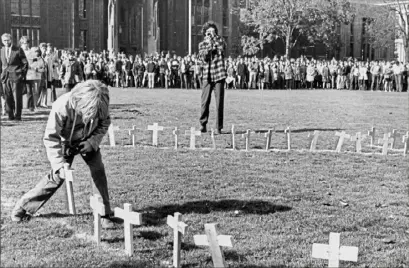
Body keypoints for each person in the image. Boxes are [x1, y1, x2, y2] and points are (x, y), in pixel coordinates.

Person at [11, 80, 115, 228]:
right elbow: (51, 137)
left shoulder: (100, 103)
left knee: (98, 170)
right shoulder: (61, 106)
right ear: (80, 103)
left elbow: (105, 122)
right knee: (56, 178)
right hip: (65, 143)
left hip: (88, 140)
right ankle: (22, 208)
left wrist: (92, 142)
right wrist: (59, 165)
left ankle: (103, 214)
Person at [198, 21, 227, 134]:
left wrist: (214, 38)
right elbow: (205, 56)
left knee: (219, 102)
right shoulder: (202, 44)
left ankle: (218, 127)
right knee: (204, 101)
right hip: (207, 75)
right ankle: (203, 124)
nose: (210, 33)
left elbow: (221, 48)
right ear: (205, 33)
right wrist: (209, 43)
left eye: (212, 31)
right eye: (208, 31)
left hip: (219, 74)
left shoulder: (220, 40)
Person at [0, 33, 28, 121]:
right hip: (5, 77)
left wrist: (21, 74)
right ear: (2, 41)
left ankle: (18, 116)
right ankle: (10, 115)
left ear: (11, 40)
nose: (6, 42)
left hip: (16, 76)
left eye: (8, 40)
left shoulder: (18, 50)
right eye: (4, 40)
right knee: (7, 97)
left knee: (17, 97)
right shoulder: (1, 50)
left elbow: (25, 63)